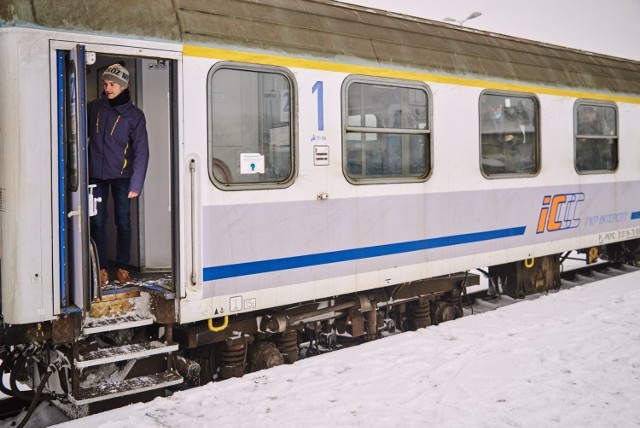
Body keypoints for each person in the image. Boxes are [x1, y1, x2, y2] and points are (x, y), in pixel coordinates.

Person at [87, 62, 149, 286]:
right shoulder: (95, 107)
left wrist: (137, 183)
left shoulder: (135, 116)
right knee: (98, 222)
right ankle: (102, 268)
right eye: (105, 83)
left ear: (123, 86)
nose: (108, 88)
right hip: (96, 175)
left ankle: (122, 268)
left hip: (123, 177)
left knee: (123, 221)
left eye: (112, 84)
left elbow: (142, 151)